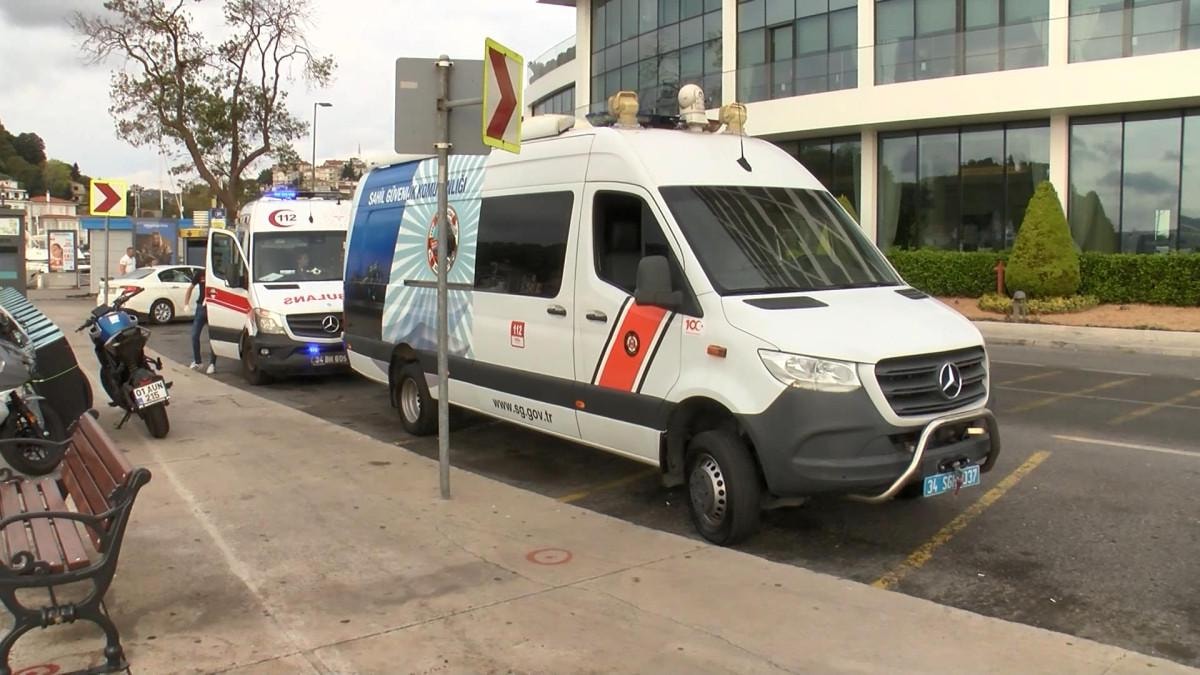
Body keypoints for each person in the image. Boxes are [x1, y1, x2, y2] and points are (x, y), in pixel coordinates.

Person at [184, 269, 216, 375]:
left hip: (212, 306)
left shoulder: (217, 273)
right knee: (194, 335)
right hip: (201, 307)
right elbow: (190, 288)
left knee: (212, 337)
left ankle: (212, 363)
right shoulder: (201, 274)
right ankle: (197, 361)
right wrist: (186, 303)